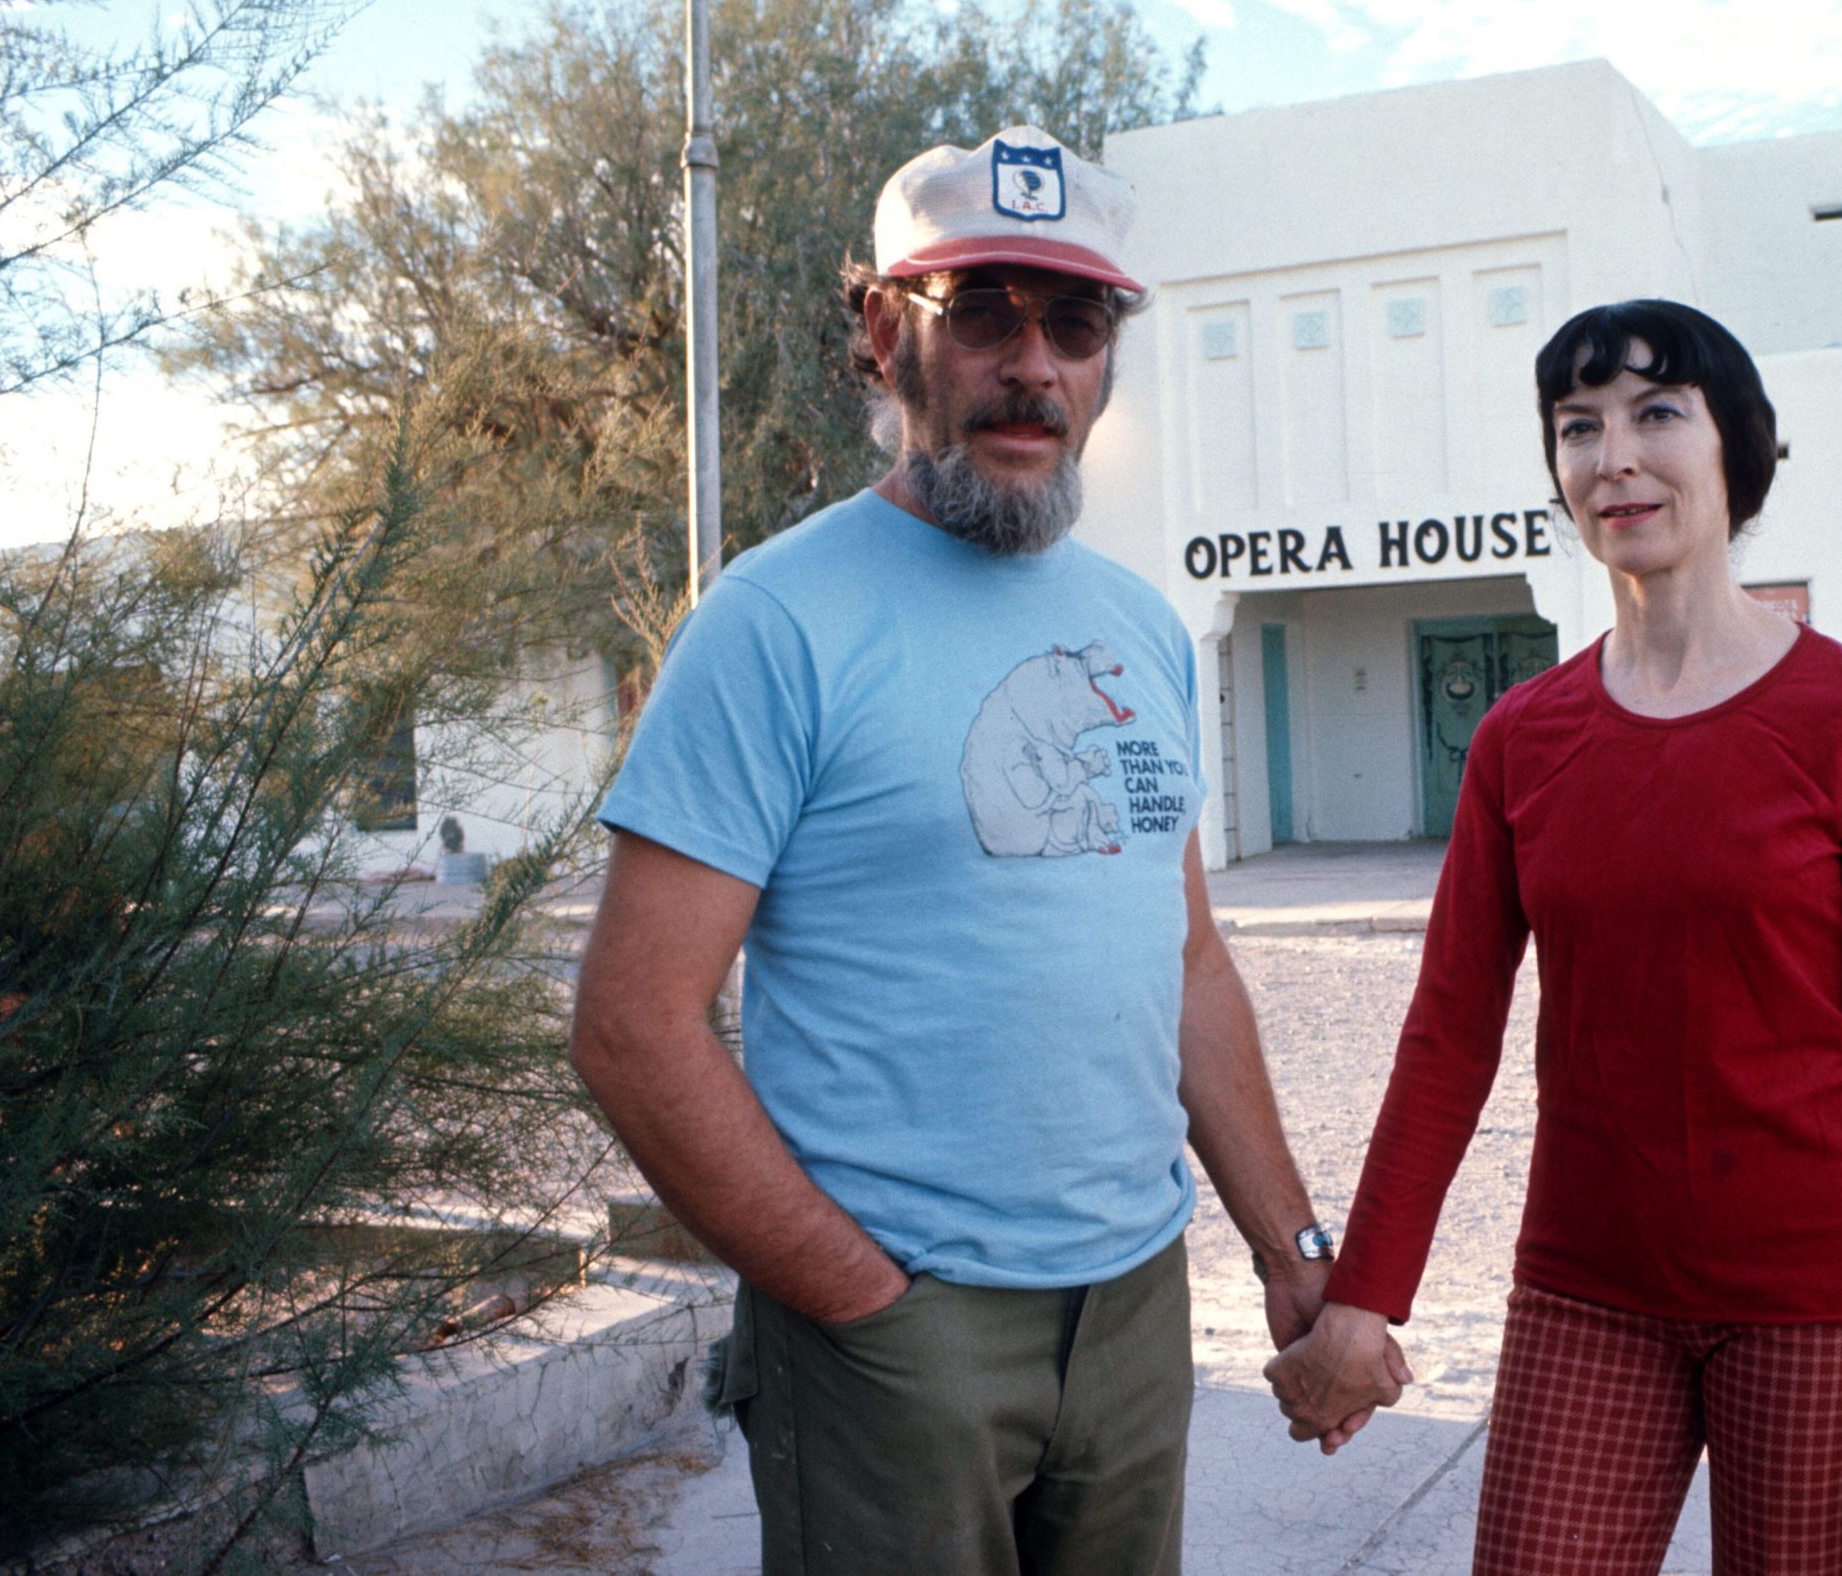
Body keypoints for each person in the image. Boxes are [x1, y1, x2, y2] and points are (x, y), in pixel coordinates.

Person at [570, 125, 1382, 1575]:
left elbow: (1184, 958)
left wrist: (1289, 1255)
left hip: (1134, 1310)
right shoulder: (775, 620)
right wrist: (858, 1297)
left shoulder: (1137, 624)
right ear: (889, 331)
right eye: (985, 315)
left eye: (1074, 323)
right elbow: (634, 1024)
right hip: (897, 1331)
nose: (1035, 366)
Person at [1263, 300, 1842, 1576]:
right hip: (1586, 1290)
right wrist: (1363, 1292)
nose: (1614, 457)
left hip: (1813, 1302)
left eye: (1657, 413)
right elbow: (1446, 1042)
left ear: (1734, 451)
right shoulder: (1520, 740)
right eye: (1577, 426)